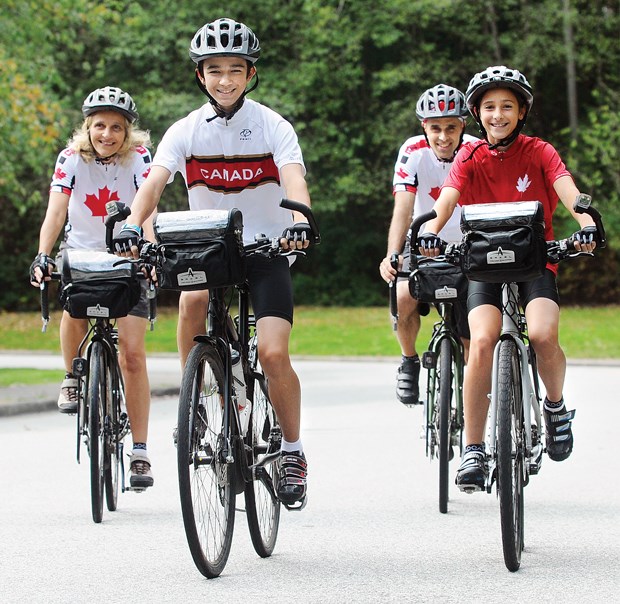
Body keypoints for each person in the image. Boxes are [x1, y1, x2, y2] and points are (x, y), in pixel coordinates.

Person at [112, 18, 313, 508]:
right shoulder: (185, 130)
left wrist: (301, 219)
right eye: (215, 70)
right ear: (200, 76)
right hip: (207, 247)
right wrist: (132, 224)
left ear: (251, 74)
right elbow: (154, 184)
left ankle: (292, 449)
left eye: (235, 70)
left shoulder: (273, 125)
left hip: (266, 249)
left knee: (270, 353)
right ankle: (197, 402)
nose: (225, 80)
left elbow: (293, 180)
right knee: (192, 302)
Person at [417, 66, 598, 491]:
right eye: (490, 107)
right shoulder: (469, 156)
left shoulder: (540, 151)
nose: (498, 115)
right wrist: (428, 231)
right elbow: (446, 202)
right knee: (480, 340)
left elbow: (569, 192)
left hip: (537, 263)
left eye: (507, 107)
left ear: (521, 112)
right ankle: (475, 449)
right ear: (478, 113)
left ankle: (554, 408)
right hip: (484, 265)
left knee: (541, 334)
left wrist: (587, 223)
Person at [29, 86, 155, 489]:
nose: (107, 134)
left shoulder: (139, 158)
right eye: (99, 125)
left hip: (128, 256)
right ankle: (71, 375)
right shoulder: (70, 159)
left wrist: (149, 250)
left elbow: (147, 206)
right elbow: (57, 209)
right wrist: (42, 254)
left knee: (132, 356)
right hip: (82, 254)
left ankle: (139, 452)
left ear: (127, 131)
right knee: (74, 311)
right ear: (87, 127)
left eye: (116, 127)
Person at [379, 84, 478, 405]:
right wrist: (393, 254)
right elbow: (403, 208)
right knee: (403, 294)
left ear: (463, 124)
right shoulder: (413, 150)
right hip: (422, 238)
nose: (444, 137)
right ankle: (409, 360)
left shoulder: (477, 149)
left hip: (468, 242)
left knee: (469, 334)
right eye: (435, 128)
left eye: (451, 127)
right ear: (424, 127)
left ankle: (471, 404)